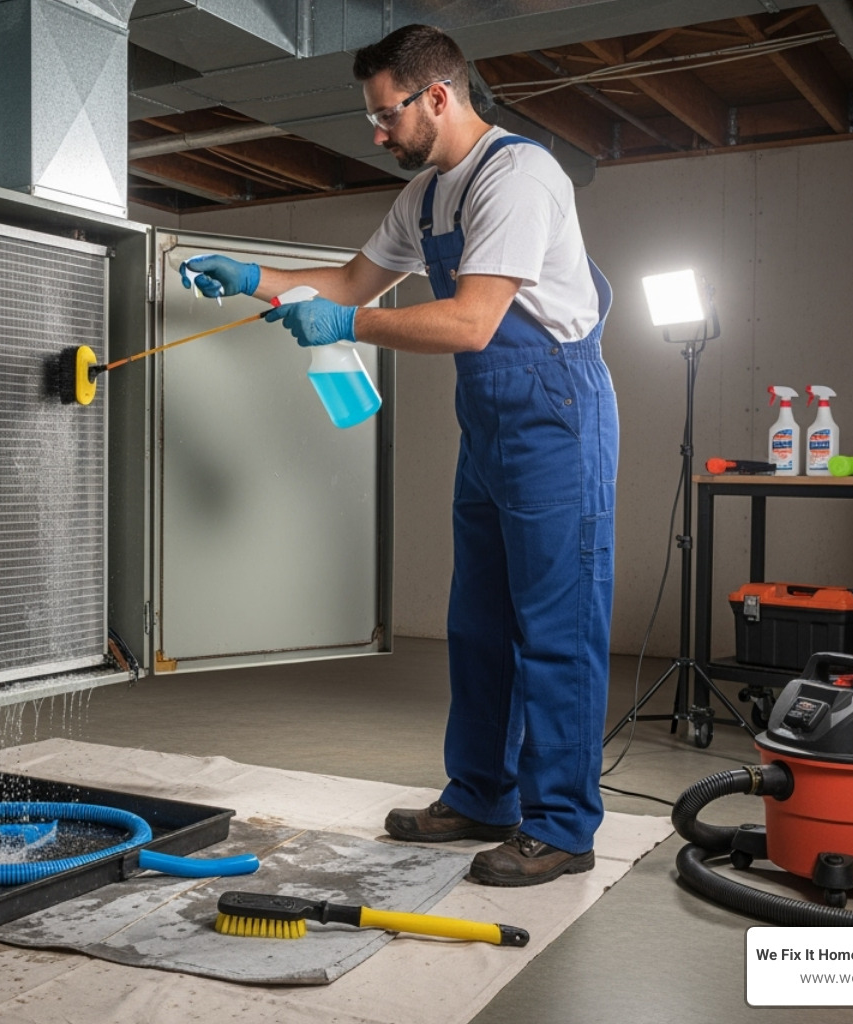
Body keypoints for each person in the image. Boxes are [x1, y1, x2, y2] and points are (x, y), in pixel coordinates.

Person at [180, 24, 618, 886]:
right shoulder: (425, 197)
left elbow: (470, 321)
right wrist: (249, 275)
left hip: (556, 413)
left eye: (386, 116)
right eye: (373, 117)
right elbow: (346, 285)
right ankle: (485, 795)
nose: (376, 133)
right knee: (480, 622)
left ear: (439, 97)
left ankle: (564, 827)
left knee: (557, 628)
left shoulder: (519, 177)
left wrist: (345, 326)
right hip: (490, 419)